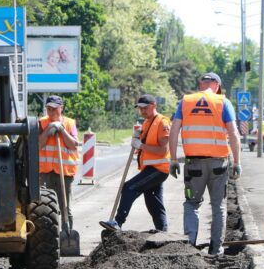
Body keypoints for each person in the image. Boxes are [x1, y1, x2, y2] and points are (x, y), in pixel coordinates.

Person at [168, 72, 242, 256]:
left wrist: (173, 159)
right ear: (216, 85)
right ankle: (216, 249)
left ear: (201, 84)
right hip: (218, 165)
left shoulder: (185, 101)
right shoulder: (222, 102)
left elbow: (174, 131)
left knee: (191, 204)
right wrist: (237, 162)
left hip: (193, 165)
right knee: (218, 206)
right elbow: (233, 134)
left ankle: (190, 247)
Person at [99, 94, 170, 232]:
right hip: (150, 168)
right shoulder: (147, 122)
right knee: (153, 203)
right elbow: (145, 143)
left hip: (158, 169)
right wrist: (139, 136)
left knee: (129, 188)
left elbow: (163, 150)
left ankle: (118, 222)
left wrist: (141, 145)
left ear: (154, 105)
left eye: (145, 108)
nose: (143, 111)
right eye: (140, 109)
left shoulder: (162, 122)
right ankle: (163, 232)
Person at [38, 95, 79, 230]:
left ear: (61, 108)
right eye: (49, 109)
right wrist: (48, 130)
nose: (51, 112)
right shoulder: (42, 123)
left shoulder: (69, 123)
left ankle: (67, 234)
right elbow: (38, 144)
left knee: (65, 206)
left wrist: (61, 130)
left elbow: (73, 145)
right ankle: (49, 235)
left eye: (54, 109)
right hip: (45, 172)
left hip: (64, 173)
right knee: (45, 207)